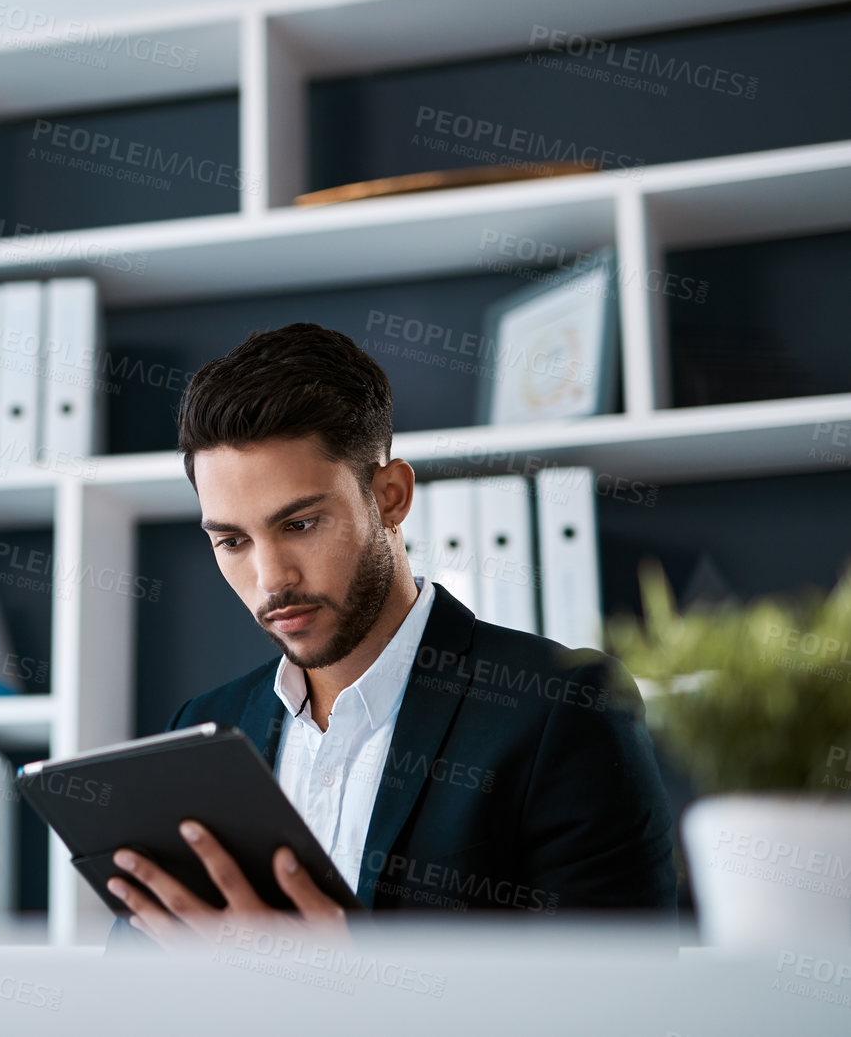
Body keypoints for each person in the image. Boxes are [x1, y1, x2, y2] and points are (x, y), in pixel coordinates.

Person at [106, 323, 675, 952]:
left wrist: (354, 982)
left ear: (391, 496)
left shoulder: (562, 708)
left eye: (299, 523)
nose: (271, 578)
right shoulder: (202, 727)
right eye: (232, 541)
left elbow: (617, 1009)